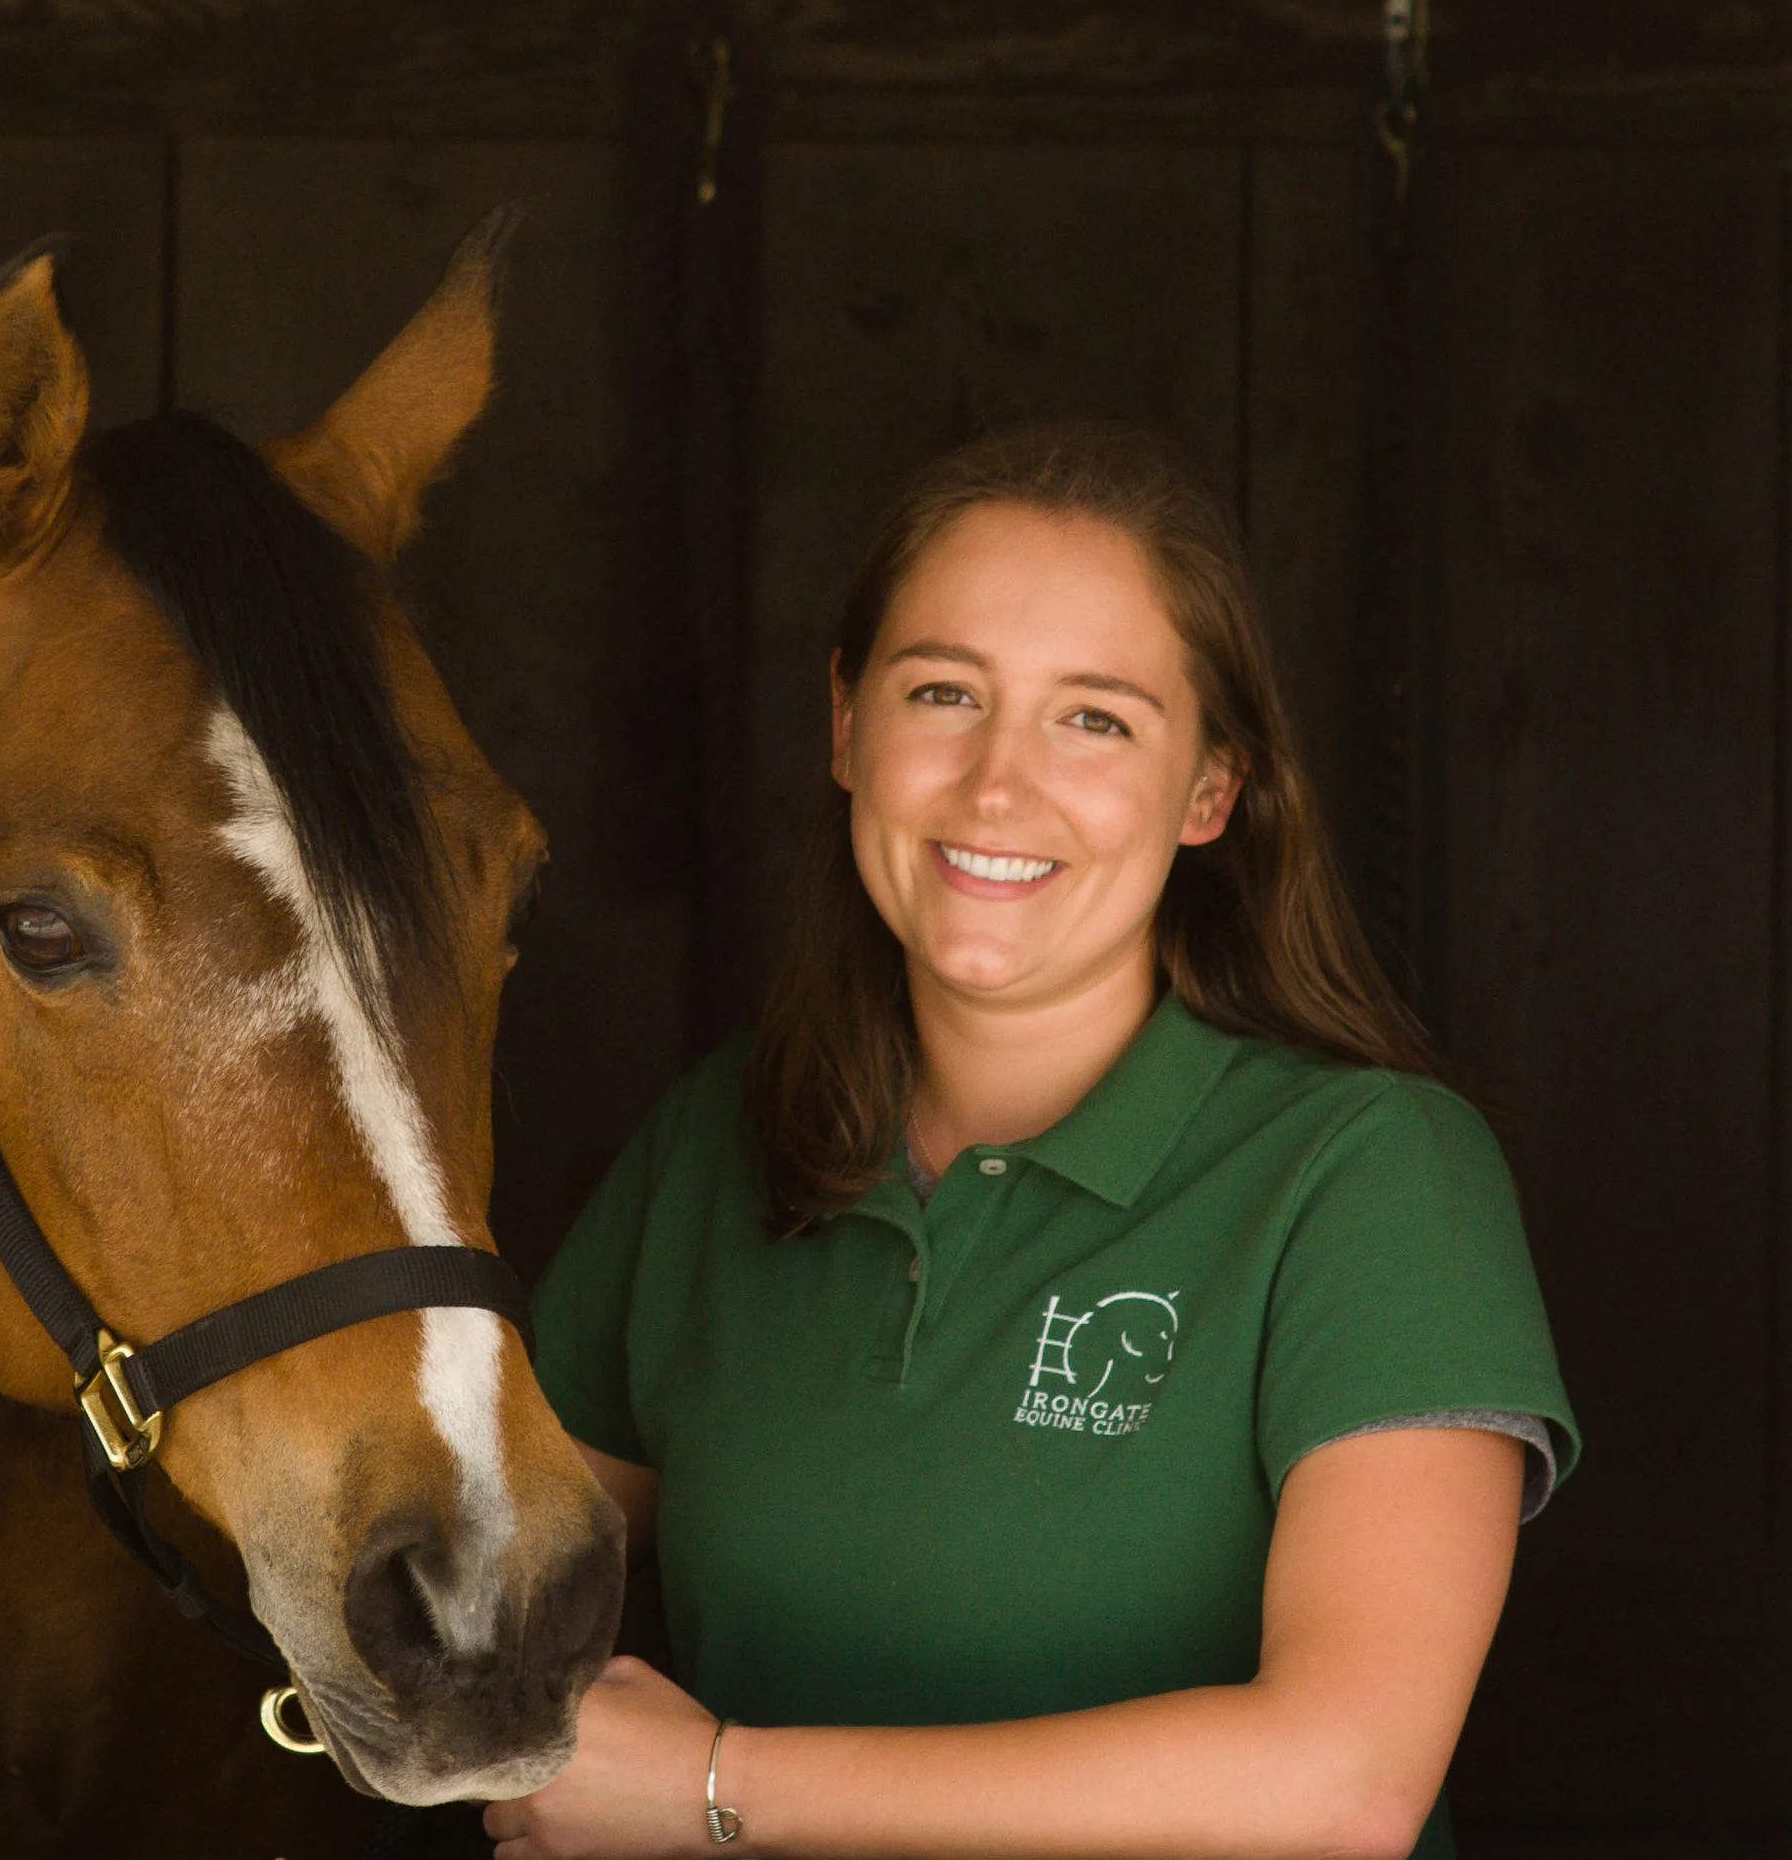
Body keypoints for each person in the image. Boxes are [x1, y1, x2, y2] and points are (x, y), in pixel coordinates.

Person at [487, 428, 1576, 1860]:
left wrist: (715, 1789)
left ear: (1210, 789)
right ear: (846, 726)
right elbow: (462, 1588)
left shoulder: (1372, 1173)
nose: (997, 785)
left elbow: (1341, 1786)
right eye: (944, 692)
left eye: (1095, 719)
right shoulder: (717, 1142)